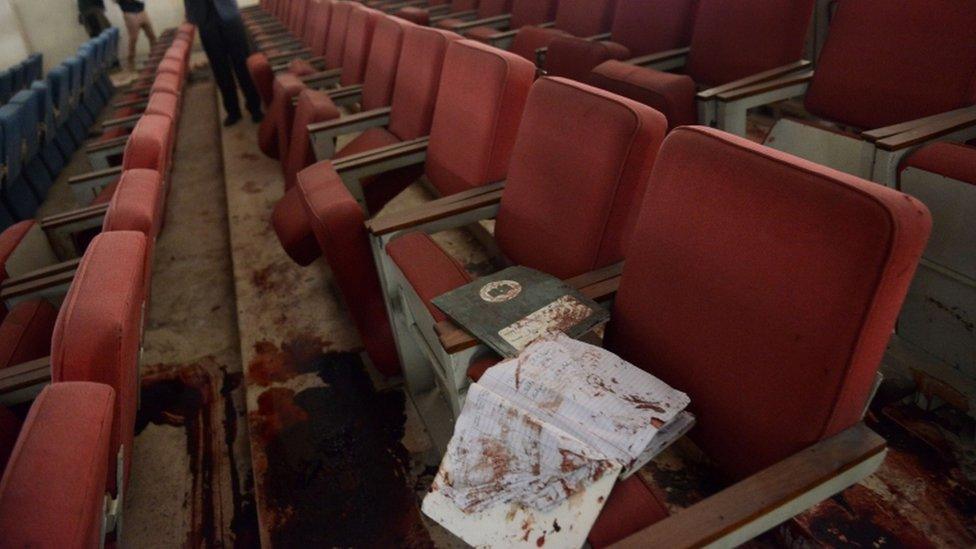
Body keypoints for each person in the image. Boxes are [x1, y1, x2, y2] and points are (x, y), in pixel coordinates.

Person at [183, 0, 263, 126]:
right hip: (204, 18)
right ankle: (233, 111)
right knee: (219, 67)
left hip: (229, 14)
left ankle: (254, 107)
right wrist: (191, 17)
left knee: (242, 62)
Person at [117, 0, 158, 71]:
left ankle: (154, 57)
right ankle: (130, 64)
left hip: (142, 11)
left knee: (152, 36)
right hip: (130, 13)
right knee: (133, 39)